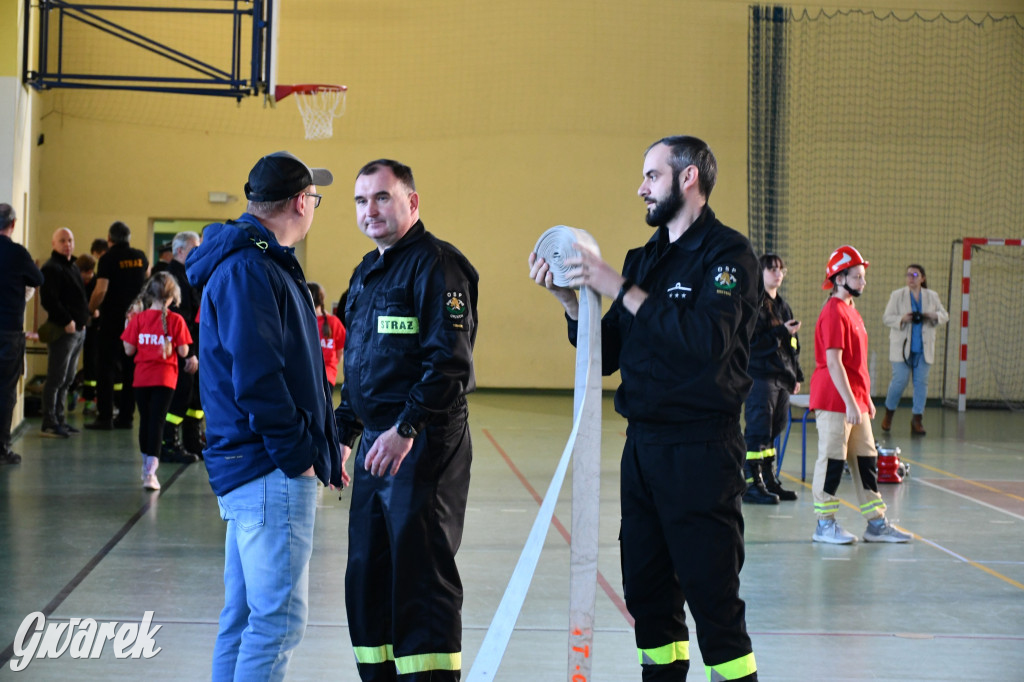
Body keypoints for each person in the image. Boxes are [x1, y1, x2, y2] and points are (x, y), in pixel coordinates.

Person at [529, 136, 759, 681]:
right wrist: (571, 302)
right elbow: (606, 354)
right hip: (644, 452)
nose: (641, 188)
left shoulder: (728, 257)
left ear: (688, 179)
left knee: (713, 604)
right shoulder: (644, 259)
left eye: (651, 176)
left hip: (702, 452)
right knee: (649, 603)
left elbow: (704, 341)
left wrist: (617, 284)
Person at [185, 150, 343, 681]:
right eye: (314, 198)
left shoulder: (255, 262)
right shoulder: (252, 268)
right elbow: (259, 379)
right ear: (301, 202)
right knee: (277, 622)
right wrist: (300, 456)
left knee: (246, 616)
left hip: (255, 468)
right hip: (268, 470)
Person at [334, 159, 478, 682]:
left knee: (420, 580)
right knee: (368, 576)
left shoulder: (439, 267)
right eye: (360, 200)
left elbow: (449, 364)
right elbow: (362, 365)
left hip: (424, 443)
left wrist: (407, 429)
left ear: (412, 203)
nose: (370, 210)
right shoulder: (367, 272)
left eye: (382, 198)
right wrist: (345, 432)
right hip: (378, 444)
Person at [808, 246, 912, 545]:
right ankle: (824, 524)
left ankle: (876, 524)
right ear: (839, 278)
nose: (863, 282)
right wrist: (852, 402)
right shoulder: (833, 312)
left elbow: (856, 364)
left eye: (863, 276)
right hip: (834, 400)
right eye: (857, 276)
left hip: (854, 401)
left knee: (866, 461)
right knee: (832, 460)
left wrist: (863, 400)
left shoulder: (851, 310)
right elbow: (833, 362)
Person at [121, 272, 192, 490]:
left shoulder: (138, 319)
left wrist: (128, 325)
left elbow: (128, 350)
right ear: (172, 297)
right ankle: (151, 471)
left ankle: (146, 466)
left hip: (142, 378)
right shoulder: (176, 320)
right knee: (157, 422)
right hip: (165, 379)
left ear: (150, 295)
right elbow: (183, 352)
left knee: (145, 420)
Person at [742, 253, 803, 504]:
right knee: (757, 431)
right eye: (771, 269)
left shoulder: (783, 305)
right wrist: (781, 331)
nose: (777, 274)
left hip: (781, 377)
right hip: (760, 376)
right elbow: (752, 344)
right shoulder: (753, 304)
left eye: (780, 270)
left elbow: (792, 345)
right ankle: (751, 484)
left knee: (772, 433)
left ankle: (769, 480)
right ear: (760, 272)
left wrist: (796, 373)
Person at [86, 221, 149, 430]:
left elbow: (101, 290)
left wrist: (90, 309)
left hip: (112, 321)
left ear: (109, 240)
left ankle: (105, 417)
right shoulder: (140, 257)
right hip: (136, 322)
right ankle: (126, 417)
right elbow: (145, 285)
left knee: (106, 368)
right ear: (129, 238)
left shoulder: (107, 258)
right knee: (131, 369)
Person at [881, 264, 949, 436]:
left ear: (922, 278)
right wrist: (902, 319)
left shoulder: (932, 296)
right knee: (899, 381)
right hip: (902, 348)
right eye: (908, 275)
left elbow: (944, 315)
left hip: (923, 348)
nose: (911, 278)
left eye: (915, 275)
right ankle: (889, 413)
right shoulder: (897, 295)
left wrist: (932, 315)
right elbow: (886, 318)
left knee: (921, 384)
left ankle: (917, 419)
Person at [0, 204, 45, 465]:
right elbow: (38, 279)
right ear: (14, 224)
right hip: (8, 331)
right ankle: (2, 447)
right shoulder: (17, 253)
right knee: (5, 391)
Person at [153, 231, 203, 462]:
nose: (199, 251)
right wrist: (188, 353)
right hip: (178, 349)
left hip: (196, 346)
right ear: (179, 250)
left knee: (196, 398)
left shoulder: (192, 273)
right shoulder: (169, 277)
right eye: (195, 248)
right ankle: (169, 444)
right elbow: (177, 319)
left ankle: (193, 440)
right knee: (179, 397)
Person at [38, 228, 90, 437]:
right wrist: (67, 319)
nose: (67, 244)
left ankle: (60, 418)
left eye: (70, 240)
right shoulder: (51, 268)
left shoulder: (73, 266)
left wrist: (83, 319)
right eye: (62, 241)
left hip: (78, 329)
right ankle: (49, 421)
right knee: (56, 377)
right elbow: (49, 300)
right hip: (63, 330)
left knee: (68, 378)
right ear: (54, 244)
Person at [307, 282, 345, 387]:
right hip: (328, 376)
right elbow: (340, 352)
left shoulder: (302, 322)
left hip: (306, 374)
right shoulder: (334, 322)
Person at [75, 253, 99, 414]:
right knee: (71, 361)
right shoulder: (74, 280)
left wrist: (96, 312)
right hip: (75, 325)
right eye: (85, 272)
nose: (88, 276)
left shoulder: (96, 281)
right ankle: (72, 390)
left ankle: (90, 399)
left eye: (90, 272)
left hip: (93, 328)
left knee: (91, 362)